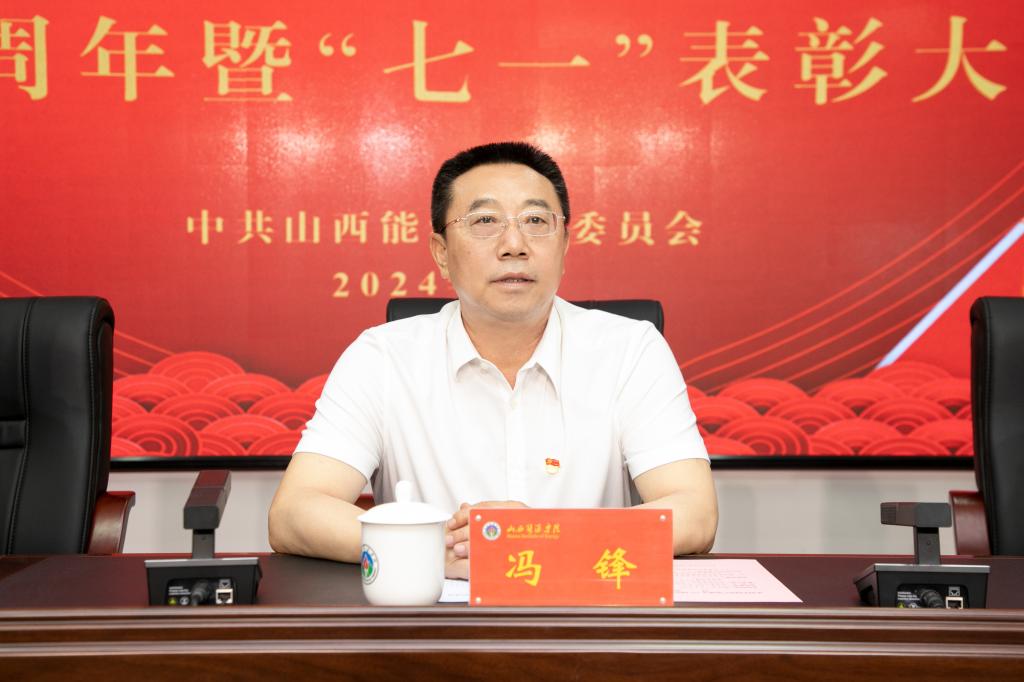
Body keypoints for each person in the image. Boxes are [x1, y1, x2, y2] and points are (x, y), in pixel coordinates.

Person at [268, 142, 717, 579]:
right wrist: (433, 549)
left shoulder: (630, 349)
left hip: (585, 616)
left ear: (564, 244)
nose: (514, 244)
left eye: (536, 221)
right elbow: (294, 514)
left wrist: (542, 539)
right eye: (485, 221)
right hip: (431, 620)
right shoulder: (383, 358)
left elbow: (695, 514)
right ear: (441, 252)